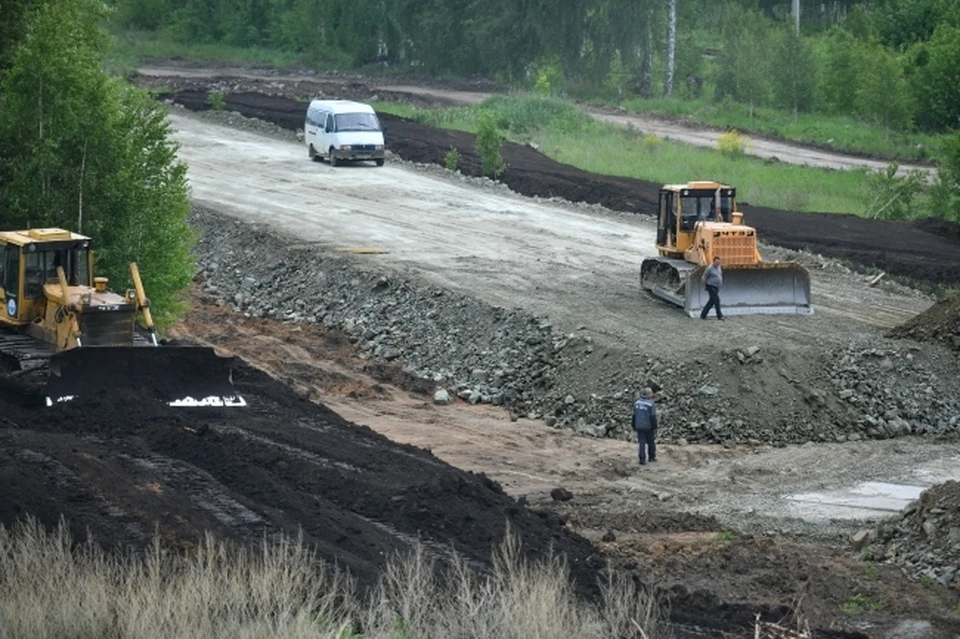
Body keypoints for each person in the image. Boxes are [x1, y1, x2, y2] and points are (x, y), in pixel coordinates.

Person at [632, 388, 658, 466]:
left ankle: (642, 460)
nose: (652, 395)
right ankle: (651, 457)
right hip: (648, 426)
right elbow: (653, 416)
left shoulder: (637, 403)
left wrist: (634, 425)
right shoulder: (650, 404)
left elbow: (634, 415)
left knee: (642, 443)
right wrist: (654, 426)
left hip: (639, 426)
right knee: (651, 442)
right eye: (651, 393)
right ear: (648, 394)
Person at [700, 255, 724, 320]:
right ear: (713, 262)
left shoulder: (719, 267)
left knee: (711, 301)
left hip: (716, 287)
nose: (718, 264)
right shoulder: (709, 268)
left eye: (719, 262)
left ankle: (703, 314)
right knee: (717, 301)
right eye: (717, 263)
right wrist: (704, 286)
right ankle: (720, 316)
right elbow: (704, 277)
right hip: (710, 286)